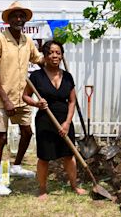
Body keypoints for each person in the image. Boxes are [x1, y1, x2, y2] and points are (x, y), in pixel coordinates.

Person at [0, 1, 45, 196]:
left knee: (27, 132)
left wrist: (55, 51)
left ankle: (16, 166)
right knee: (1, 138)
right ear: (8, 19)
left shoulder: (27, 40)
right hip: (4, 98)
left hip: (22, 97)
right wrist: (6, 100)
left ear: (26, 19)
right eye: (14, 16)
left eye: (22, 16)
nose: (18, 19)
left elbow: (38, 59)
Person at [23, 40, 87, 200]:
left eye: (58, 52)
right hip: (45, 120)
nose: (54, 56)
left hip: (64, 120)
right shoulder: (36, 77)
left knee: (69, 156)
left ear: (62, 55)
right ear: (45, 56)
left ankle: (74, 185)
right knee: (44, 157)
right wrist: (36, 103)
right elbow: (25, 96)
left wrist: (67, 123)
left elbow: (72, 101)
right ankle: (43, 189)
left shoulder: (67, 77)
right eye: (51, 52)